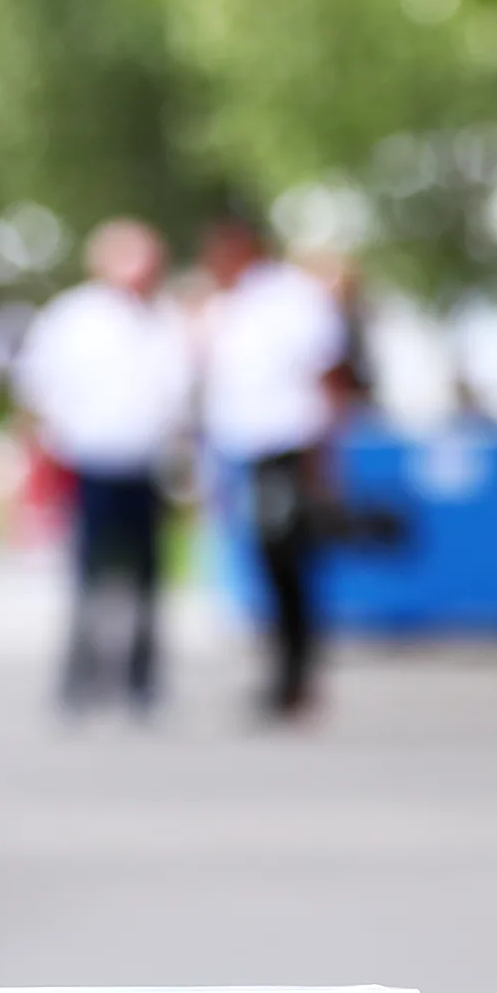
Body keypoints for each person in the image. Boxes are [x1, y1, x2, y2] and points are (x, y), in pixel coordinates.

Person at [14, 217, 191, 716]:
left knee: (147, 577)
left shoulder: (165, 319)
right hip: (91, 462)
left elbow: (177, 396)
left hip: (147, 463)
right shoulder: (72, 318)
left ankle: (142, 680)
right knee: (88, 575)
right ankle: (81, 677)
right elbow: (38, 393)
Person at [198, 204, 354, 721]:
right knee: (269, 566)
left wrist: (323, 458)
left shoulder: (291, 299)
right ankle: (284, 674)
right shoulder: (230, 307)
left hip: (290, 451)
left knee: (290, 564)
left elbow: (326, 378)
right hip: (250, 453)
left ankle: (298, 676)